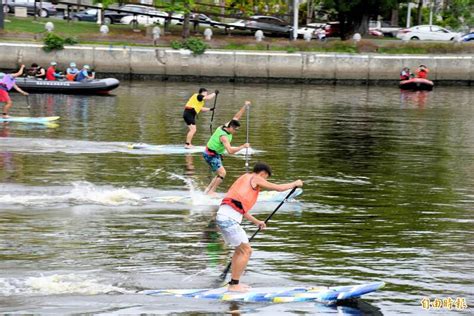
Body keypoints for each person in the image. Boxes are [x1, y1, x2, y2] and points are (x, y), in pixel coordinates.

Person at [216, 162, 303, 292]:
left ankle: (233, 283)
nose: (264, 181)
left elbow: (239, 207)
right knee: (247, 251)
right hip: (228, 219)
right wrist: (294, 184)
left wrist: (257, 222)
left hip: (223, 216)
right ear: (262, 173)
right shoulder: (255, 178)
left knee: (240, 250)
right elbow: (278, 188)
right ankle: (234, 285)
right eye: (266, 178)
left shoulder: (244, 178)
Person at [203, 101, 250, 195]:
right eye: (235, 130)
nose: (236, 131)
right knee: (222, 173)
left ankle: (208, 190)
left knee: (219, 173)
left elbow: (236, 117)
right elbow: (230, 151)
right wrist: (243, 146)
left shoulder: (227, 125)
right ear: (231, 127)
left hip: (215, 154)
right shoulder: (224, 137)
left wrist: (245, 106)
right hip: (210, 154)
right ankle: (211, 192)